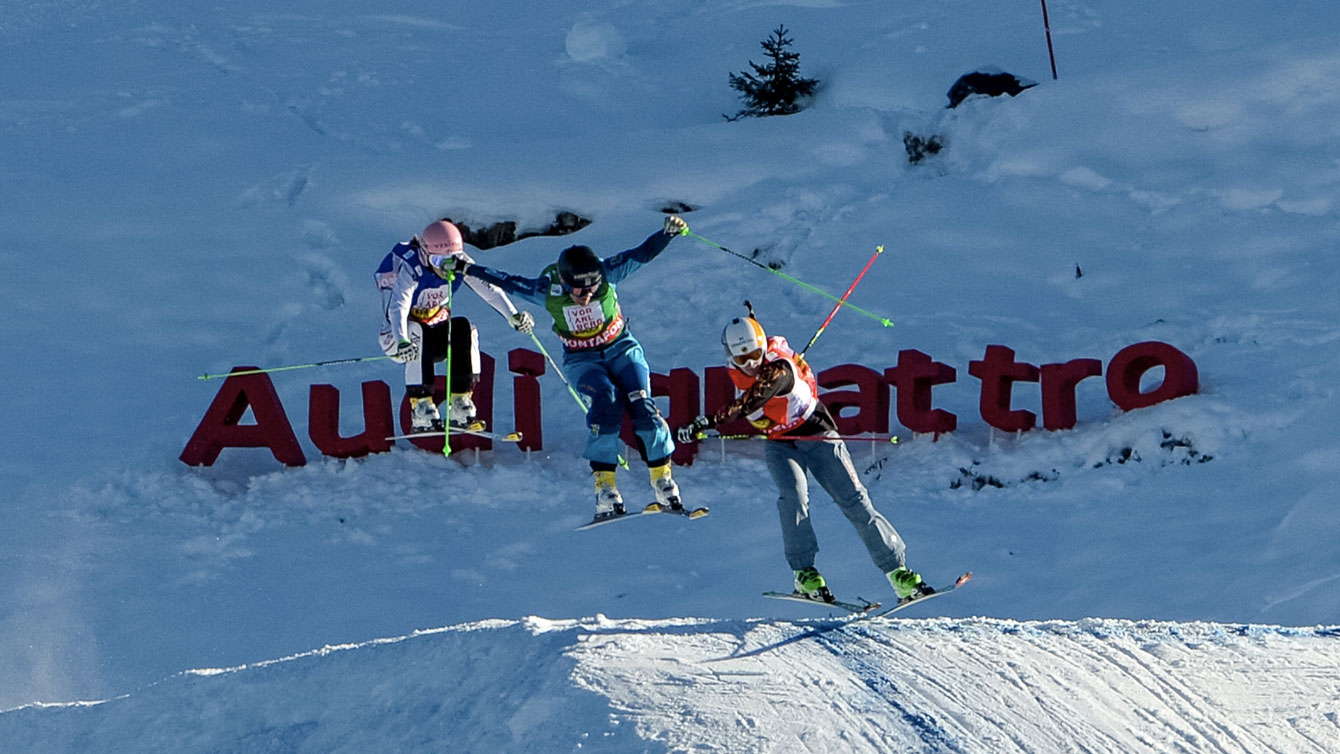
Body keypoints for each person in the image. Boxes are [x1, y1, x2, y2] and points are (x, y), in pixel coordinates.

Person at [675, 308, 932, 603]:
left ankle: (898, 573)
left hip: (817, 433)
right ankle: (805, 574)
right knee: (792, 499)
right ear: (730, 355)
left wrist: (706, 422)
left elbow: (751, 400)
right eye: (742, 359)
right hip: (780, 443)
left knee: (854, 501)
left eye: (756, 355)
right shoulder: (740, 367)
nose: (751, 364)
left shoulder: (778, 369)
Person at [456, 215, 689, 521]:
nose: (587, 294)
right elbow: (507, 281)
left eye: (593, 287)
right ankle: (605, 488)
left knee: (642, 404)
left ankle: (663, 479)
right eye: (579, 290)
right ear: (565, 283)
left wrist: (667, 233)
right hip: (582, 360)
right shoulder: (547, 290)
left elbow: (641, 254)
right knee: (605, 405)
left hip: (621, 348)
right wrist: (466, 268)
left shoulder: (607, 272)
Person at [375, 219, 534, 432]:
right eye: (439, 260)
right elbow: (398, 306)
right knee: (417, 330)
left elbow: (489, 289)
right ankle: (421, 407)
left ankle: (460, 402)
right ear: (425, 254)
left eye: (454, 259)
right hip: (399, 339)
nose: (447, 267)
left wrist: (512, 315)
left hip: (432, 337)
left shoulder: (461, 264)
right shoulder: (413, 268)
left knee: (463, 328)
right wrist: (401, 338)